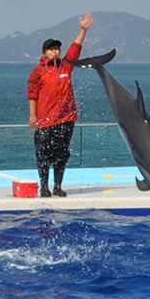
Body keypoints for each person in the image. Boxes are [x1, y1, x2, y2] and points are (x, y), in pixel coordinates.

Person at [28, 13, 93, 197]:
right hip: (45, 119)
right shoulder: (38, 72)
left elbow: (76, 48)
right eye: (50, 49)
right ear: (44, 52)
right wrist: (33, 115)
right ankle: (44, 186)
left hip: (66, 118)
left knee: (61, 153)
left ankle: (57, 185)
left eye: (56, 49)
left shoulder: (65, 66)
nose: (54, 51)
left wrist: (83, 29)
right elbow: (32, 95)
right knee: (43, 153)